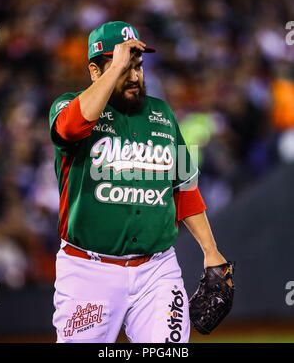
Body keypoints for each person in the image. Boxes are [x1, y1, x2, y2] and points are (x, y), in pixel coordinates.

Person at [49, 21, 229, 343]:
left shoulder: (162, 114)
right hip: (89, 271)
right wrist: (115, 64)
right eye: (124, 68)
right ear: (95, 71)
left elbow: (184, 187)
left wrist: (211, 251)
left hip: (156, 271)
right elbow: (70, 129)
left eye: (139, 66)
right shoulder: (66, 106)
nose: (134, 77)